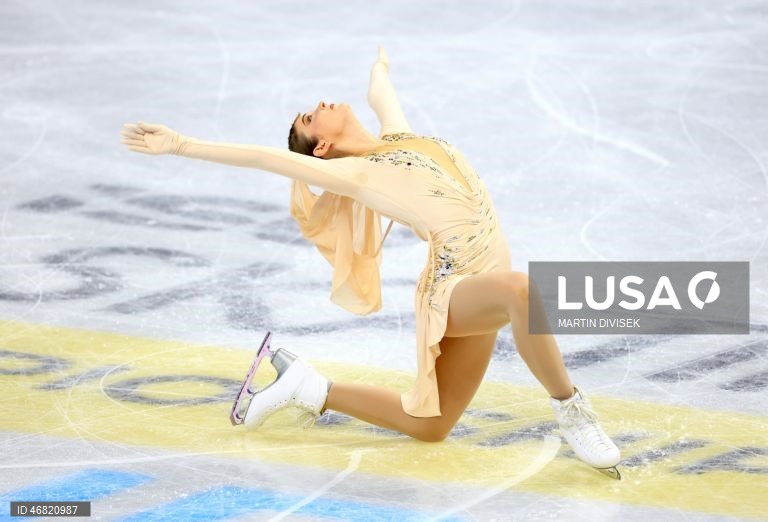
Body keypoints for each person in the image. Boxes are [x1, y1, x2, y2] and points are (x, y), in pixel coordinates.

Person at [120, 47, 622, 478]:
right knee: (520, 292)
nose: (317, 105)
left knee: (430, 425)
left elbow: (383, 94)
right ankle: (573, 411)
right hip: (455, 290)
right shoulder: (359, 174)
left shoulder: (398, 139)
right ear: (322, 146)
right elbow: (262, 157)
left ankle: (308, 386)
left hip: (480, 289)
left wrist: (380, 64)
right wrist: (181, 144)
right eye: (309, 117)